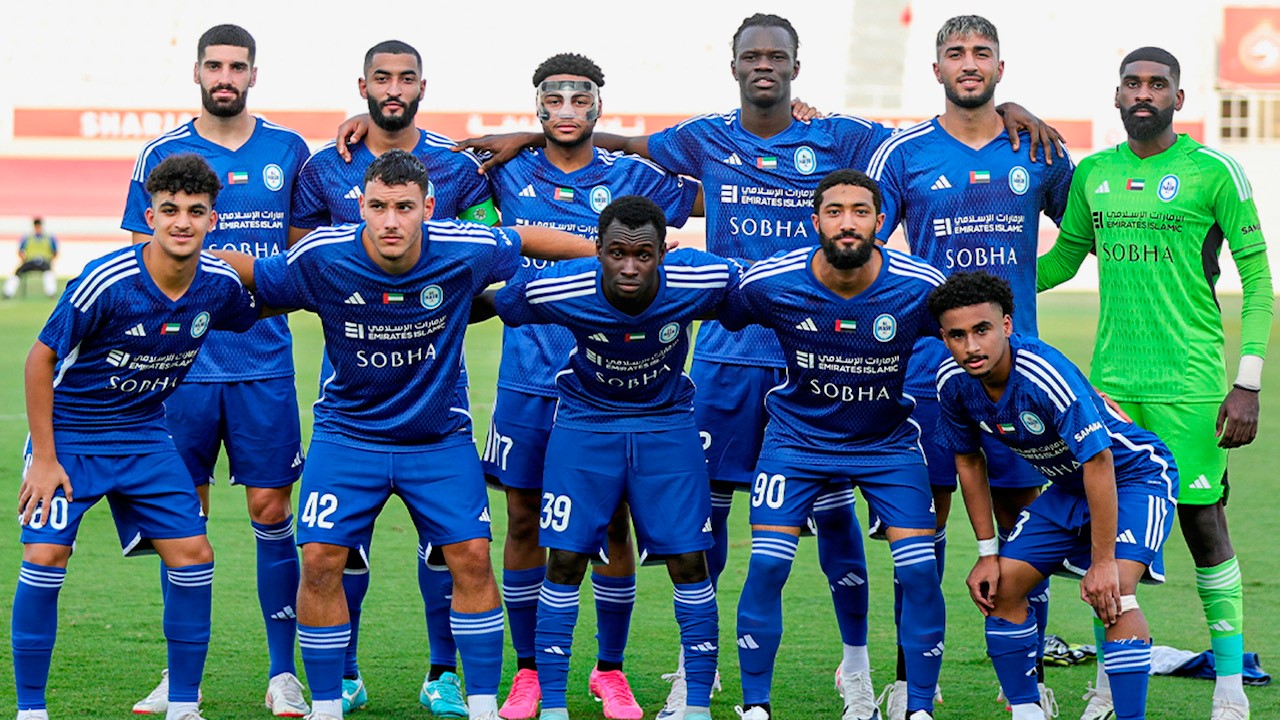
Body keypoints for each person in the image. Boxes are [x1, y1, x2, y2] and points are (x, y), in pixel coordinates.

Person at [435, 15, 1065, 718]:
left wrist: (1007, 109)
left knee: (835, 519)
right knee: (702, 524)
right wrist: (528, 136)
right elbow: (620, 143)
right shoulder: (705, 137)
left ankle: (856, 667)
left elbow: (933, 136)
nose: (764, 65)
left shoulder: (841, 136)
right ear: (734, 65)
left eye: (777, 56)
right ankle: (691, 672)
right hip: (729, 356)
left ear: (797, 65)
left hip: (820, 353)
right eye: (752, 56)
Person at [212, 149, 595, 720]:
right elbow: (252, 272)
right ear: (361, 207)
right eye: (378, 207)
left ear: (429, 208)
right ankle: (326, 705)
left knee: (471, 556)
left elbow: (526, 237)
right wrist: (172, 251)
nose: (390, 221)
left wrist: (603, 254)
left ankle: (482, 704)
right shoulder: (323, 254)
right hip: (348, 436)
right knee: (320, 559)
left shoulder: (466, 248)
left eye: (404, 208)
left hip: (438, 439)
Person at [1038, 46, 1274, 720]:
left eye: (1157, 84)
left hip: (1192, 385)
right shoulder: (1095, 174)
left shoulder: (1213, 172)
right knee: (1104, 535)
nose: (1144, 93)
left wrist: (1248, 382)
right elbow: (1062, 262)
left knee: (1203, 524)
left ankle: (1229, 688)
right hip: (1112, 386)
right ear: (1117, 95)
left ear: (1178, 97)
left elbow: (1258, 281)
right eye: (1133, 83)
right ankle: (1107, 689)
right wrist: (982, 281)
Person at [864, 15, 1075, 716]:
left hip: (1020, 374)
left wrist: (1033, 283)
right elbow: (865, 247)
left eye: (982, 52)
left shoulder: (1036, 149)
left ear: (1000, 67)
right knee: (918, 532)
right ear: (937, 70)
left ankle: (1027, 686)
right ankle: (910, 685)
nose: (969, 63)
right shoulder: (904, 154)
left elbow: (1082, 232)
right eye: (955, 53)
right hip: (929, 372)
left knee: (1025, 526)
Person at [289, 39, 498, 717]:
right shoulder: (325, 167)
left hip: (435, 392)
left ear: (422, 87)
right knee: (336, 551)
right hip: (350, 389)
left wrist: (436, 308)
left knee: (454, 550)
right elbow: (301, 261)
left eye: (406, 78)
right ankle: (342, 676)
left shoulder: (457, 167)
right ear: (363, 85)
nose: (394, 88)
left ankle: (445, 674)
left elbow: (491, 253)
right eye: (382, 77)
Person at [14, 154, 260, 720]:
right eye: (169, 210)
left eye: (195, 211)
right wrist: (45, 459)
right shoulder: (108, 281)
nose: (182, 222)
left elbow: (262, 303)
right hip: (71, 437)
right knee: (46, 556)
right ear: (149, 216)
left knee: (194, 555)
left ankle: (183, 704)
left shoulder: (217, 285)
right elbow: (39, 359)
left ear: (213, 220)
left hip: (146, 436)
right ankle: (30, 710)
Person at [476, 195, 738, 720]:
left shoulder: (699, 278)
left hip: (667, 426)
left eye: (643, 255)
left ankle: (695, 707)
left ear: (664, 253)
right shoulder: (562, 285)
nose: (630, 267)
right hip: (585, 426)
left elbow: (756, 294)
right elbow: (501, 303)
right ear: (597, 250)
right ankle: (553, 705)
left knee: (690, 560)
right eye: (617, 253)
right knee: (566, 557)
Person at [120, 24, 312, 718]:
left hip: (263, 362)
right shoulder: (162, 152)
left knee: (272, 511)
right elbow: (142, 260)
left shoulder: (288, 150)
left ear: (253, 74)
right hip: (180, 369)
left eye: (237, 66)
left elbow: (303, 251)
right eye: (215, 65)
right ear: (198, 71)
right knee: (182, 519)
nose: (225, 77)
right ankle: (181, 680)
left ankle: (283, 674)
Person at [717, 168, 947, 720]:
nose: (848, 223)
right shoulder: (772, 282)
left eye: (860, 212)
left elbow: (978, 328)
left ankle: (917, 708)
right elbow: (713, 304)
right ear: (815, 221)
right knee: (767, 567)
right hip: (796, 440)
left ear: (881, 222)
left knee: (919, 570)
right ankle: (756, 707)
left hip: (886, 443)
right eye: (835, 211)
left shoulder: (921, 286)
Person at [930, 271, 1178, 720]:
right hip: (1068, 486)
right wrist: (987, 553)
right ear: (944, 338)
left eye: (982, 330)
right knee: (1001, 588)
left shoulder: (1043, 373)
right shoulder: (952, 382)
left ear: (1007, 325)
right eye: (957, 335)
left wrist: (1103, 562)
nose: (971, 346)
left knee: (1115, 593)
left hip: (1134, 476)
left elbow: (1100, 461)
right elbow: (968, 461)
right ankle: (1027, 712)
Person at [4, 218, 58, 299]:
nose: (37, 228)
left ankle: (51, 293)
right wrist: (23, 260)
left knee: (49, 272)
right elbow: (20, 251)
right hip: (30, 261)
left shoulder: (49, 237)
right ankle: (8, 293)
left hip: (44, 261)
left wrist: (50, 261)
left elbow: (55, 252)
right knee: (18, 272)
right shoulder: (28, 237)